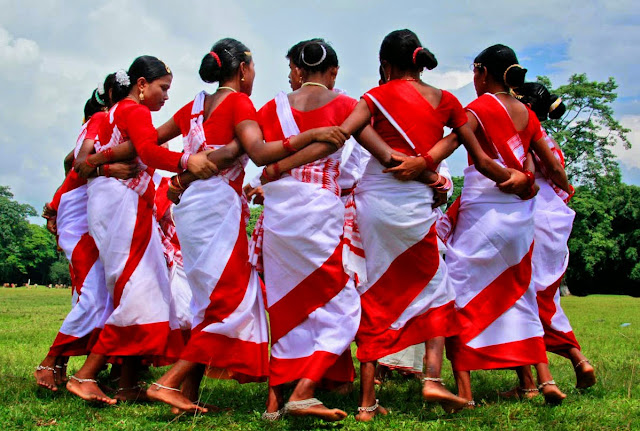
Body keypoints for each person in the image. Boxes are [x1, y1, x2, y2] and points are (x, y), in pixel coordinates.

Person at [145, 38, 347, 415]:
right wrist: (313, 135)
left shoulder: (194, 105)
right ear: (242, 69)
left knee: (209, 302)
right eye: (253, 68)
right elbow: (259, 153)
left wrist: (182, 168)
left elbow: (149, 143)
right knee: (235, 305)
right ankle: (167, 383)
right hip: (218, 207)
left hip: (190, 209)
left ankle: (184, 397)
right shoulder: (240, 103)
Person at [332, 29, 480, 420]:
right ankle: (432, 378)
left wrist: (387, 155)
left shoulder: (374, 97)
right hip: (415, 208)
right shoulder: (446, 99)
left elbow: (349, 129)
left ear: (385, 64)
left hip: (376, 204)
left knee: (375, 293)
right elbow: (465, 139)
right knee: (436, 291)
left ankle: (366, 404)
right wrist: (426, 161)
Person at [65, 56, 215, 405]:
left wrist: (99, 163)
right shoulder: (135, 112)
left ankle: (126, 383)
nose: (165, 97)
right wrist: (184, 161)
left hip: (112, 203)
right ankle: (86, 375)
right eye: (163, 88)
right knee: (138, 294)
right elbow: (147, 150)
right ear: (142, 84)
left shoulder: (113, 114)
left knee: (140, 292)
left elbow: (84, 160)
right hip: (124, 205)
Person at [440, 44, 571, 406]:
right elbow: (555, 170)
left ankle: (464, 391)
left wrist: (417, 166)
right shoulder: (529, 115)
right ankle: (541, 382)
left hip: (482, 214)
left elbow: (448, 145)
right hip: (520, 219)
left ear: (482, 72)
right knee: (521, 294)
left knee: (459, 295)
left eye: (474, 71)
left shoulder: (476, 110)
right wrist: (557, 187)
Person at [253, 39, 361, 422]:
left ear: (297, 70)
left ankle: (272, 404)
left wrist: (276, 171)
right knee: (344, 307)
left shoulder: (272, 108)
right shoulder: (348, 105)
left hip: (281, 214)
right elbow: (373, 154)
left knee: (284, 308)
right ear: (332, 72)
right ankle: (303, 390)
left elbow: (257, 154)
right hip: (320, 211)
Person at [35, 80, 138, 392]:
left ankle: (74, 367)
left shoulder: (104, 123)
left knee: (99, 295)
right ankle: (50, 362)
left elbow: (72, 163)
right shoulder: (100, 120)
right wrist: (107, 170)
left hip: (87, 216)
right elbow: (76, 163)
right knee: (94, 295)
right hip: (81, 222)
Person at [506, 82, 595, 392]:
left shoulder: (525, 138)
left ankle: (535, 381)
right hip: (553, 221)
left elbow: (548, 172)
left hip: (530, 218)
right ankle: (577, 361)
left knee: (520, 297)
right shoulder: (550, 139)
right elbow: (560, 178)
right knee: (544, 296)